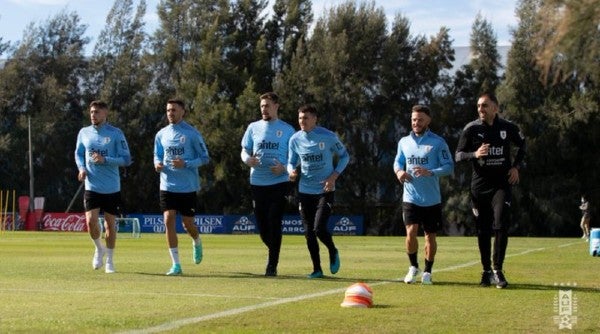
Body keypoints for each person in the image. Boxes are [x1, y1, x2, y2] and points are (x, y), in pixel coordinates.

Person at [455, 92, 526, 289]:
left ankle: (498, 270)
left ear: (496, 107)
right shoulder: (471, 129)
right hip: (479, 187)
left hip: (501, 186)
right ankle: (486, 271)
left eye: (485, 105)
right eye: (478, 106)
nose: (480, 109)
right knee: (483, 229)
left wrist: (516, 167)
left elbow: (523, 145)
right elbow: (458, 155)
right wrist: (474, 154)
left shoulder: (508, 128)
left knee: (501, 223)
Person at [287, 104, 350, 278]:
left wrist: (334, 176)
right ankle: (317, 269)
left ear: (314, 119)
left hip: (325, 189)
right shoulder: (295, 139)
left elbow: (345, 156)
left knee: (319, 229)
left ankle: (332, 250)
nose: (302, 121)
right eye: (300, 118)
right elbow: (291, 161)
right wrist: (291, 171)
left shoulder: (328, 136)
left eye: (306, 118)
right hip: (304, 191)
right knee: (308, 233)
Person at [393, 105, 454, 285]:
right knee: (410, 233)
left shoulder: (438, 142)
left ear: (428, 120)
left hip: (431, 199)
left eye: (420, 120)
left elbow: (449, 166)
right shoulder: (404, 141)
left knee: (430, 236)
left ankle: (427, 271)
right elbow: (398, 161)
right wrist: (398, 172)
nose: (416, 123)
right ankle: (413, 266)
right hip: (410, 196)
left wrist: (431, 172)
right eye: (413, 120)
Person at [241, 92, 295, 277]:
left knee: (274, 221)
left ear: (276, 106)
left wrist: (285, 169)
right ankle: (274, 249)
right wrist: (248, 159)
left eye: (267, 106)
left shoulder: (288, 130)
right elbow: (244, 150)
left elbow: (295, 158)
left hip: (280, 182)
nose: (264, 109)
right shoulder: (253, 127)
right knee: (263, 228)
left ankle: (272, 265)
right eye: (262, 106)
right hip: (257, 182)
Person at [154, 98, 210, 276]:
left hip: (187, 187)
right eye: (168, 110)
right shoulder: (161, 134)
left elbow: (205, 158)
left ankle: (197, 240)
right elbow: (157, 154)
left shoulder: (192, 133)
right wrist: (157, 163)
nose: (170, 113)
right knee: (168, 219)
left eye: (174, 110)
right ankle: (176, 264)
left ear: (182, 112)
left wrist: (185, 163)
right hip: (167, 184)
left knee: (188, 224)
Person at [75, 100, 132, 274]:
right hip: (91, 185)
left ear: (105, 114)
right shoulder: (84, 132)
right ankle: (99, 248)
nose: (93, 115)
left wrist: (105, 160)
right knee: (91, 222)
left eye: (97, 112)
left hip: (111, 187)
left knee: (110, 225)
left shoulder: (115, 133)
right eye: (91, 112)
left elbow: (127, 159)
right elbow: (78, 153)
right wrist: (82, 168)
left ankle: (110, 261)